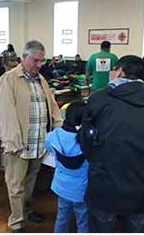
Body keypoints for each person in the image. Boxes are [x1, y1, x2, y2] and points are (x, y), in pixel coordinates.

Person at [78, 55, 144, 233]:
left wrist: (99, 160)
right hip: (142, 188)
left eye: (113, 70)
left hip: (104, 185)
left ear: (120, 71)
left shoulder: (99, 99)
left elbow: (86, 141)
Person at [0, 40, 63, 233]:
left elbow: (53, 108)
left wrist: (59, 131)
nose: (39, 65)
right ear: (24, 57)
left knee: (30, 182)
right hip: (19, 144)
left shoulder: (41, 80)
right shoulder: (9, 79)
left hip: (39, 143)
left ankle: (26, 211)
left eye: (42, 61)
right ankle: (17, 222)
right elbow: (4, 113)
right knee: (15, 187)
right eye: (35, 60)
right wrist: (12, 142)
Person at [45, 100, 89, 233]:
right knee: (83, 221)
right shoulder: (89, 140)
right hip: (82, 190)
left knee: (62, 217)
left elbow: (49, 148)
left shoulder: (53, 136)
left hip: (62, 186)